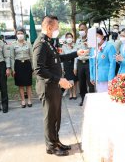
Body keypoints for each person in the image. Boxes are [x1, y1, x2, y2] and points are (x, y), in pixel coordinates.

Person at [33, 15, 87, 156]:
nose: (58, 30)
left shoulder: (49, 42)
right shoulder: (41, 44)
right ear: (49, 27)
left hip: (54, 86)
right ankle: (51, 146)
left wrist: (76, 53)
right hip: (47, 86)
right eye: (57, 27)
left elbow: (58, 58)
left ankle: (56, 141)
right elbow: (38, 69)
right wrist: (59, 80)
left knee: (56, 116)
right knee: (50, 118)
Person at [11, 28, 33, 108]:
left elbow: (31, 56)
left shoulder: (28, 43)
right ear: (16, 35)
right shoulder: (13, 44)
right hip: (18, 65)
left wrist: (33, 67)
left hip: (27, 64)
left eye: (21, 33)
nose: (20, 35)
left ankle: (29, 100)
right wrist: (13, 69)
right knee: (20, 84)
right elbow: (12, 57)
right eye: (18, 33)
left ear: (24, 34)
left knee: (28, 84)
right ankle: (23, 100)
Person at [89, 27, 116, 92]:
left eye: (97, 35)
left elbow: (112, 63)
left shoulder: (109, 47)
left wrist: (110, 79)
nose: (95, 38)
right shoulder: (93, 47)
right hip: (96, 78)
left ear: (103, 35)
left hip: (106, 78)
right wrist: (92, 76)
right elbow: (91, 63)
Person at [75, 23, 95, 106]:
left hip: (88, 63)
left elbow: (94, 52)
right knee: (82, 83)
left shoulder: (91, 40)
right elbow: (75, 54)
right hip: (80, 63)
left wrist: (89, 46)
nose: (81, 31)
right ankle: (83, 99)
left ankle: (91, 100)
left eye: (83, 29)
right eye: (80, 30)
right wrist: (75, 67)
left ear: (86, 30)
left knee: (90, 83)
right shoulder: (78, 40)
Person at [61, 32, 78, 99]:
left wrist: (75, 67)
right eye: (67, 37)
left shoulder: (75, 45)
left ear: (72, 38)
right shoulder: (63, 46)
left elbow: (76, 56)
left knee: (74, 79)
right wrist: (62, 67)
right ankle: (70, 93)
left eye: (70, 37)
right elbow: (62, 57)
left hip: (74, 63)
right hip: (66, 64)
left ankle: (74, 93)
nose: (69, 38)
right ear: (66, 38)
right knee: (68, 79)